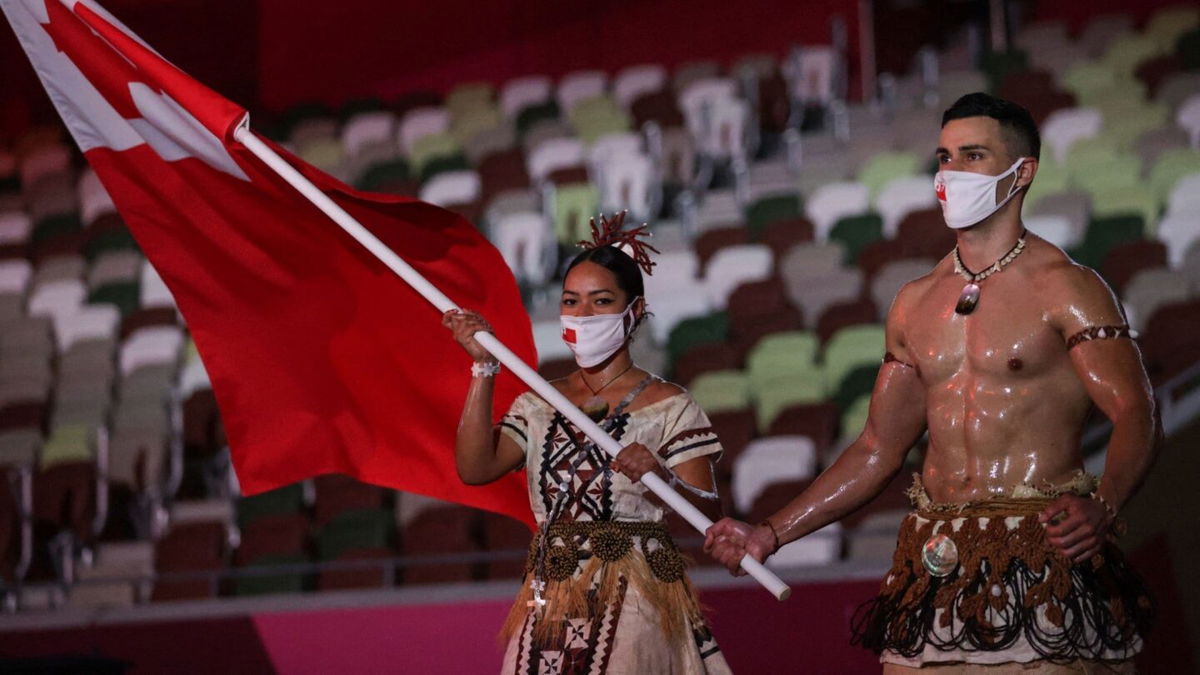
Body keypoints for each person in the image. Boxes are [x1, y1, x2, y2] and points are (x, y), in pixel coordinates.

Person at [704, 93, 1157, 672]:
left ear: (1023, 173)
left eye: (972, 156)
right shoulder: (914, 303)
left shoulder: (1067, 286)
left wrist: (1105, 503)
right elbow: (876, 448)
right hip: (933, 562)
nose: (951, 172)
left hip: (1043, 556)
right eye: (944, 157)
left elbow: (1136, 411)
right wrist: (770, 533)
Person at [443, 213, 733, 674]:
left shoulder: (669, 405)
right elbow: (475, 468)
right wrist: (483, 368)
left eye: (601, 301)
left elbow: (711, 515)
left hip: (639, 595)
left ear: (633, 311)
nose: (582, 315)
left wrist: (661, 477)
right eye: (571, 301)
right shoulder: (539, 402)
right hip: (549, 595)